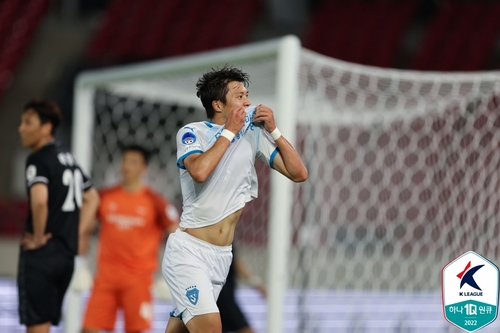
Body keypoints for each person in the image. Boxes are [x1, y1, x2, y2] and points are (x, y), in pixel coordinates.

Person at [161, 66, 308, 333]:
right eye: (239, 96)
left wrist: (274, 131)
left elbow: (299, 173)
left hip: (222, 258)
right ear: (217, 104)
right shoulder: (192, 132)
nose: (248, 102)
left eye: (247, 95)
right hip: (189, 252)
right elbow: (199, 171)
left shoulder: (252, 134)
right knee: (210, 328)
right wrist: (228, 132)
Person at [17, 99, 100, 333]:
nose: (20, 128)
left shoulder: (38, 159)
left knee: (37, 327)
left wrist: (38, 237)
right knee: (46, 324)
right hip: (65, 256)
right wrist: (79, 236)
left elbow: (40, 200)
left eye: (28, 122)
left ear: (46, 127)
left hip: (41, 255)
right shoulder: (67, 157)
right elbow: (92, 198)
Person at [79, 144, 179, 333]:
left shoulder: (155, 202)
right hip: (105, 278)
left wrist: (170, 275)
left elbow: (177, 235)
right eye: (125, 161)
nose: (127, 166)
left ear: (144, 168)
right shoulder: (104, 197)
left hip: (138, 280)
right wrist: (80, 263)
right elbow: (84, 228)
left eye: (133, 162)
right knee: (88, 329)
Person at [217, 245, 266, 333]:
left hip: (220, 294)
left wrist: (256, 283)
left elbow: (234, 260)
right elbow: (236, 262)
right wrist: (257, 283)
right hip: (222, 297)